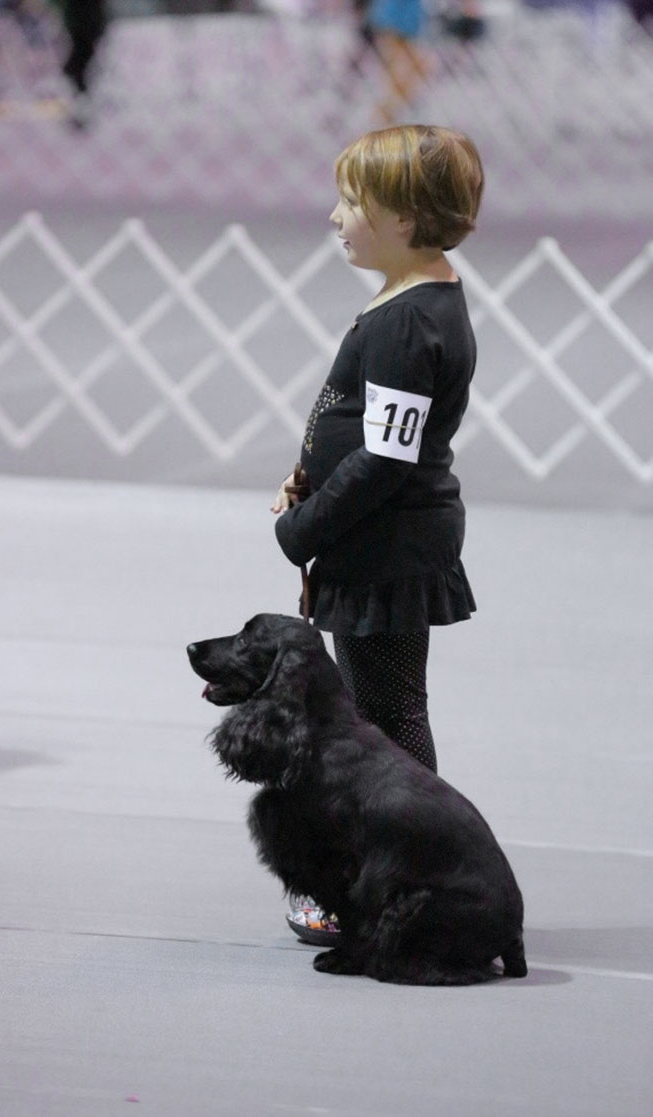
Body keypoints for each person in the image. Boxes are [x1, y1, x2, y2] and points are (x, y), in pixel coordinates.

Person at [270, 124, 484, 945]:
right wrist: (310, 474)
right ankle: (408, 869)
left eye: (352, 202)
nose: (336, 215)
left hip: (385, 549)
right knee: (384, 712)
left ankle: (408, 874)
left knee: (383, 720)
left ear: (403, 217)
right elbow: (370, 434)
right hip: (386, 542)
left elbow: (387, 458)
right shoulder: (417, 301)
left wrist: (302, 528)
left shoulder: (406, 321)